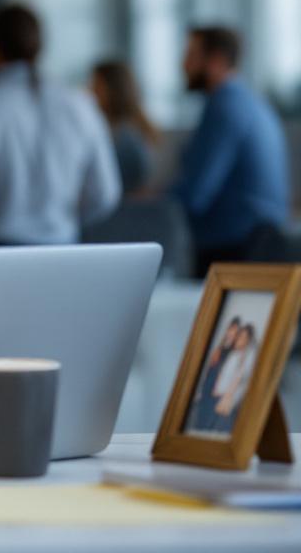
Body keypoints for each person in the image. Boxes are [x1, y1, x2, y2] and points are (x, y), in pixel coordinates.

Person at [0, 4, 121, 245]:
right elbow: (105, 194)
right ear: (40, 45)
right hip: (62, 248)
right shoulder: (81, 105)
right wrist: (64, 220)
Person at [172, 27, 291, 277]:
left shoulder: (223, 107)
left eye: (192, 55)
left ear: (216, 60)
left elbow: (196, 193)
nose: (183, 64)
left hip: (233, 250)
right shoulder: (252, 103)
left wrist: (150, 200)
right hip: (263, 243)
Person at [90, 60, 159, 196]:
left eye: (96, 86)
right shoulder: (125, 128)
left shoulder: (125, 136)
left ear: (113, 90)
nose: (90, 92)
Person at [189, 318, 239, 432]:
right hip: (208, 384)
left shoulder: (233, 351)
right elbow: (210, 366)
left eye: (235, 331)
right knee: (200, 414)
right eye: (231, 329)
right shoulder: (219, 346)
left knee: (210, 418)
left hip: (218, 388)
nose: (232, 333)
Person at [211, 323, 257, 433]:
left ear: (248, 341)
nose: (238, 339)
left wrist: (227, 397)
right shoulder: (235, 354)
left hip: (229, 399)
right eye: (239, 336)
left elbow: (238, 378)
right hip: (220, 395)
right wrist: (217, 388)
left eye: (243, 337)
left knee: (220, 429)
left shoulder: (246, 357)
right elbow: (224, 373)